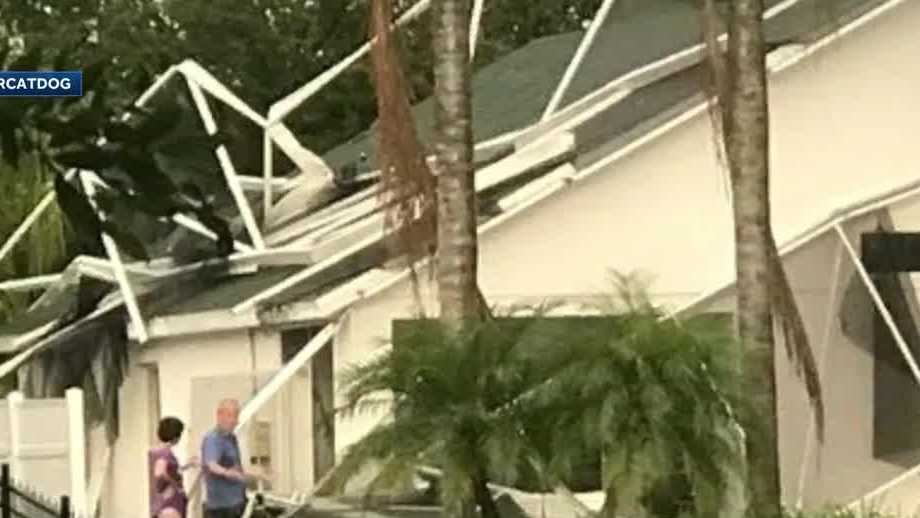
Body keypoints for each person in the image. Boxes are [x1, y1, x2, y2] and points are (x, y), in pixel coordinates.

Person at [201, 399, 267, 518]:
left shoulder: (231, 438)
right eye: (231, 416)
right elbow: (212, 465)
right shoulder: (213, 439)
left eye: (236, 416)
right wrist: (228, 473)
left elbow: (235, 467)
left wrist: (252, 474)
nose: (235, 421)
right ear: (219, 415)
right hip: (222, 507)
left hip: (237, 501)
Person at [149, 417, 197, 518]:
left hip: (160, 504)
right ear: (176, 436)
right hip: (169, 504)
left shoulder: (155, 452)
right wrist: (175, 485)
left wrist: (185, 465)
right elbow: (160, 472)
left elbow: (169, 470)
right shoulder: (165, 452)